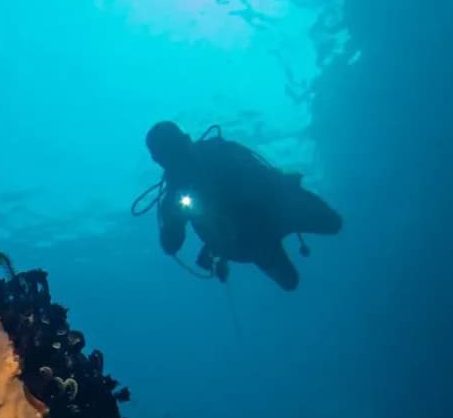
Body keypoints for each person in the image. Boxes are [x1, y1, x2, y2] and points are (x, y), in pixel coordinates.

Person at [140, 121, 342, 291]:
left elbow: (171, 245)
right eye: (167, 156)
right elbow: (171, 244)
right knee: (290, 281)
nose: (176, 160)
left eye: (174, 151)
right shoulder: (176, 193)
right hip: (251, 240)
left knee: (333, 224)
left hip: (271, 217)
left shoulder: (219, 153)